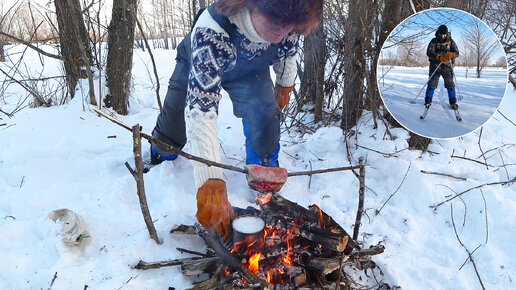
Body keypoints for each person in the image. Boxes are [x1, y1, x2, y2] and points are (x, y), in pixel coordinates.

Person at [149, 0, 323, 239]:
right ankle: (161, 153)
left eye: (289, 25)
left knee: (264, 112)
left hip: (250, 69)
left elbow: (287, 53)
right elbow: (201, 113)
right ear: (250, 6)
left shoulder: (288, 26)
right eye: (274, 20)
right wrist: (210, 182)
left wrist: (285, 85)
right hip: (199, 60)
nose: (281, 30)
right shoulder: (211, 30)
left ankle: (264, 174)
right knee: (175, 121)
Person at [425, 24, 460, 109]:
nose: (442, 36)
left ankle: (453, 102)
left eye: (444, 34)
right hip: (435, 66)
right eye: (441, 34)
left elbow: (457, 53)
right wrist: (438, 57)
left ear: (447, 34)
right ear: (438, 33)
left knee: (450, 84)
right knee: (432, 83)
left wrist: (452, 54)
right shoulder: (434, 41)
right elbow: (429, 52)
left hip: (447, 67)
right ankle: (428, 101)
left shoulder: (451, 41)